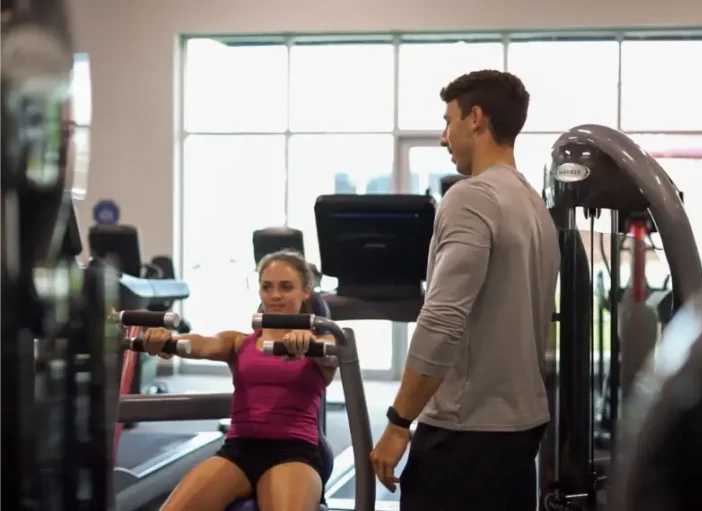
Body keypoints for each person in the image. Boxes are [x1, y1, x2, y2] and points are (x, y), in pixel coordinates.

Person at [370, 69, 561, 511]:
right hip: (519, 427)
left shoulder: (471, 197)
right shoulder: (535, 206)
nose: (443, 137)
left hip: (466, 429)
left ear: (475, 118)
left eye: (448, 121)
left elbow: (442, 319)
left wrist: (399, 423)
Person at [142, 250, 338, 511]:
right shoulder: (239, 342)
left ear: (305, 291)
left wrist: (307, 343)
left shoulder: (322, 343)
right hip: (238, 451)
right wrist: (169, 342)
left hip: (294, 453)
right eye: (267, 287)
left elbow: (332, 355)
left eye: (286, 287)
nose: (275, 295)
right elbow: (202, 344)